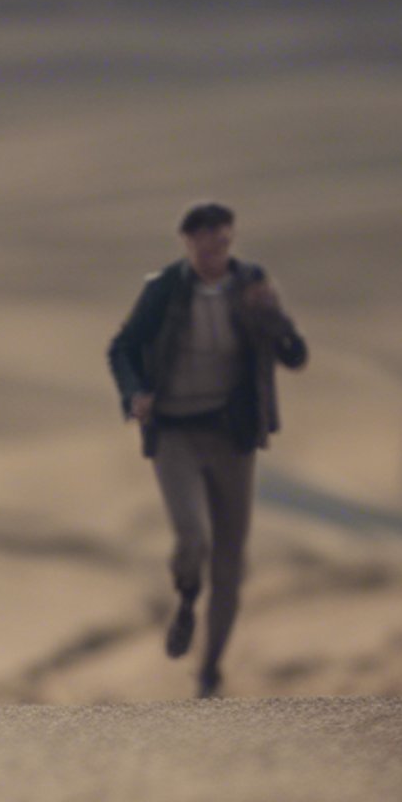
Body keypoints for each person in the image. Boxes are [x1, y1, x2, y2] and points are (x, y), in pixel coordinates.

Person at [106, 200, 308, 697]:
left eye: (221, 240)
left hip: (231, 435)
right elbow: (122, 346)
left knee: (231, 562)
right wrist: (135, 393)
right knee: (192, 537)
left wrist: (273, 318)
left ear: (230, 239)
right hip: (175, 433)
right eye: (202, 242)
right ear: (187, 243)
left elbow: (294, 355)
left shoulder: (251, 285)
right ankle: (186, 598)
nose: (212, 251)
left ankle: (210, 670)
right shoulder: (164, 290)